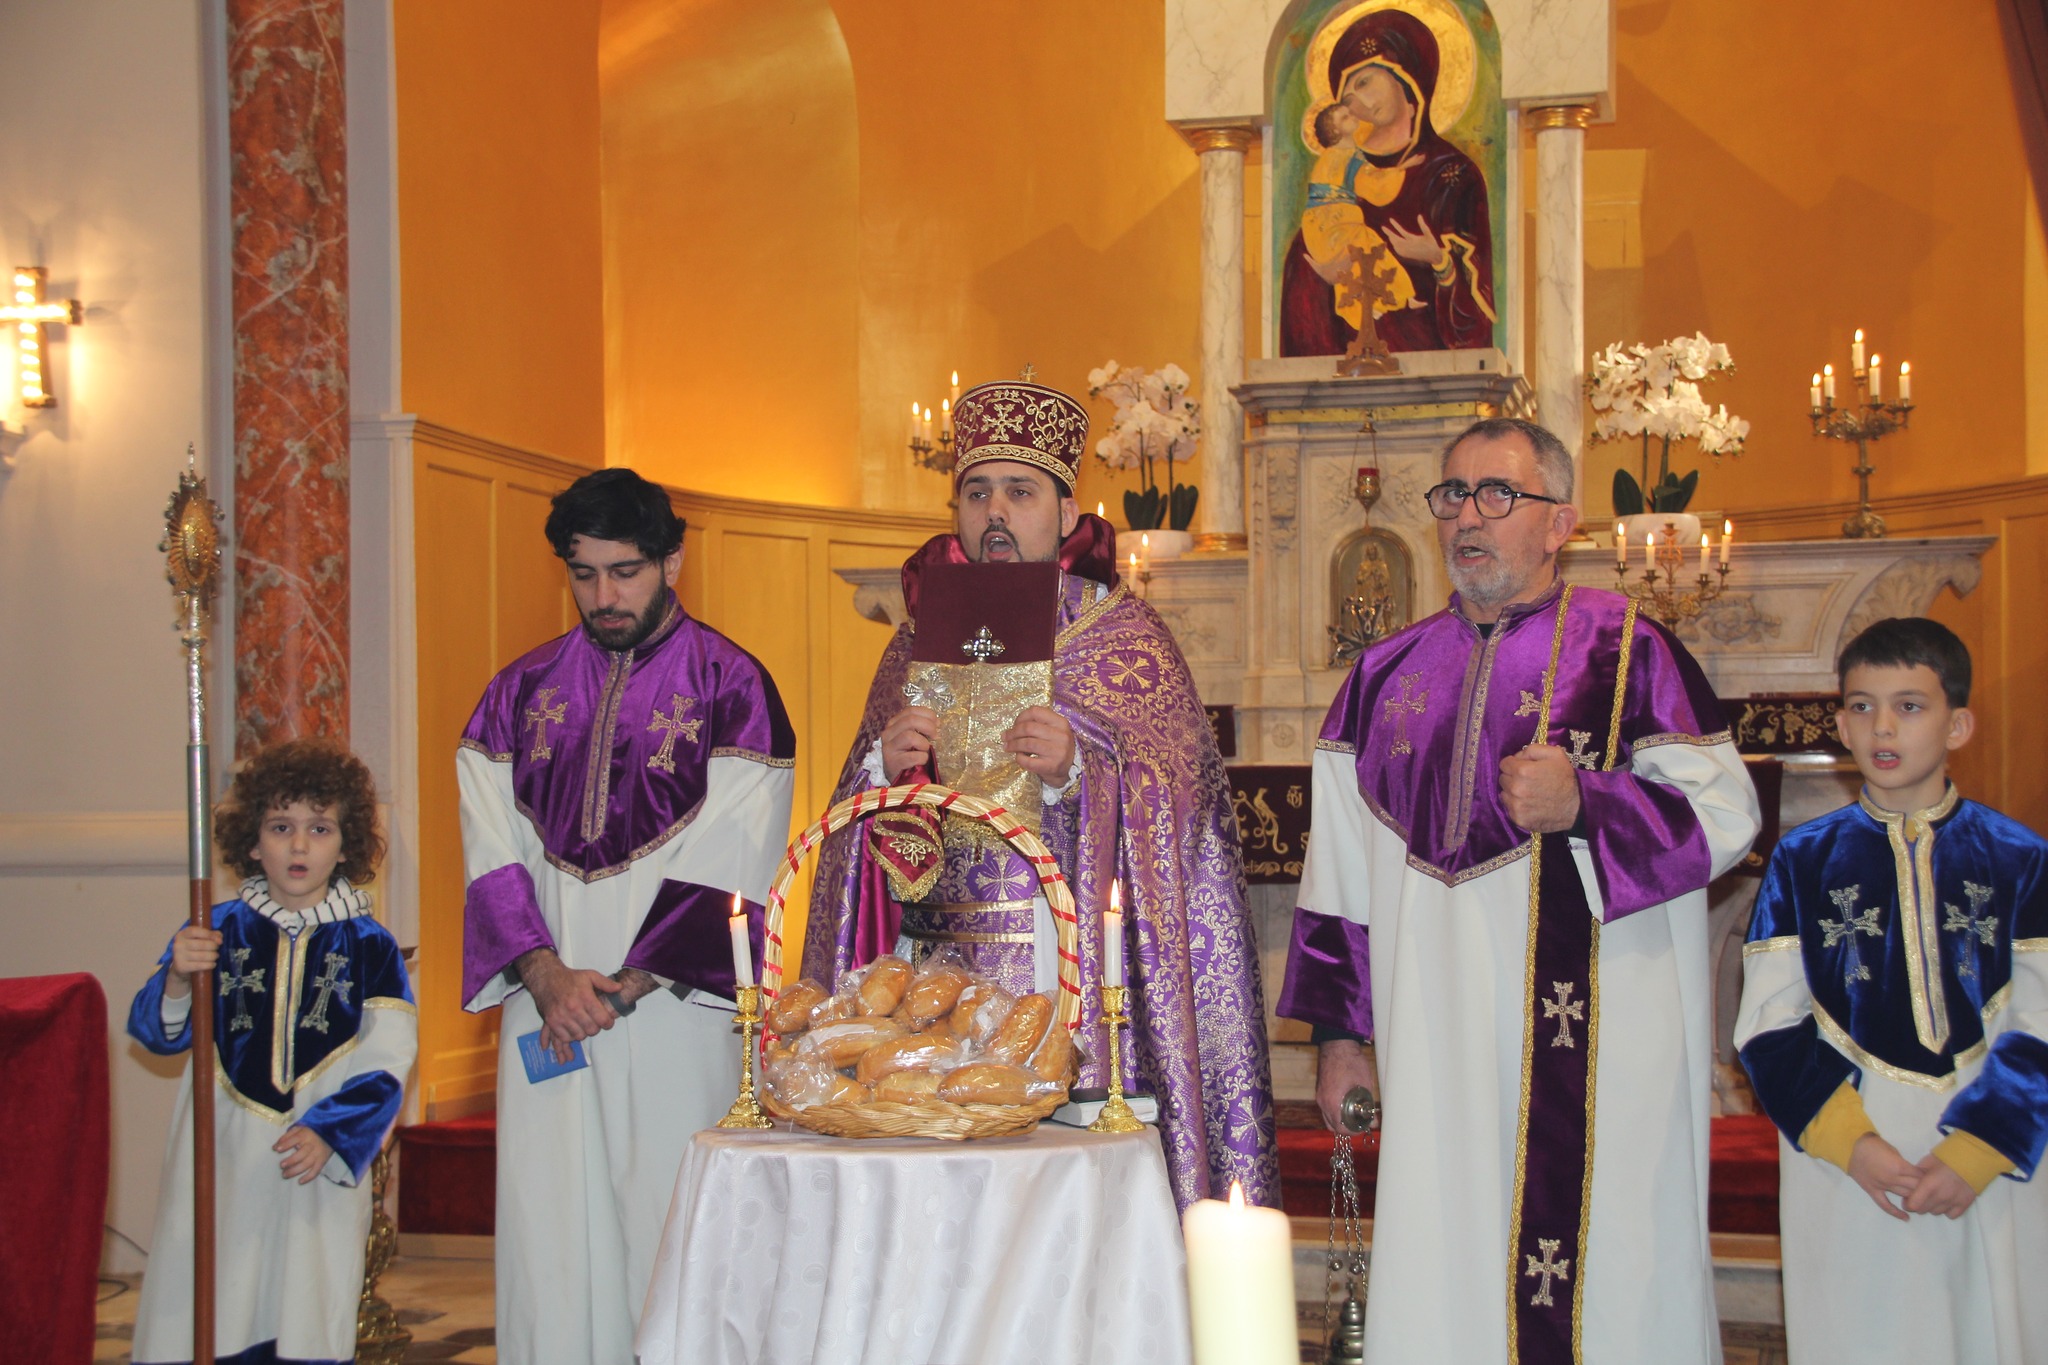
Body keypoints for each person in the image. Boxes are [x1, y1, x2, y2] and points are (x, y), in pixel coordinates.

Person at [1277, 416, 1759, 1362]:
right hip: (1433, 1043)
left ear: (1560, 522)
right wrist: (1341, 1040)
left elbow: (1728, 816)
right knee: (1444, 1249)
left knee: (1611, 1266)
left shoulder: (1629, 653)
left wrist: (1590, 802)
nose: (1467, 515)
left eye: (1496, 493)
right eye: (1451, 494)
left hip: (1601, 1043)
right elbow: (1335, 876)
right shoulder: (1380, 678)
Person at [803, 375, 1277, 1209]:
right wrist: (885, 765)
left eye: (1020, 492)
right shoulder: (916, 635)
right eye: (976, 491)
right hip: (926, 976)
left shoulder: (1120, 633)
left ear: (1065, 514)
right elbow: (858, 818)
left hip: (1064, 971)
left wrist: (1084, 764)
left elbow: (1188, 804)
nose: (995, 512)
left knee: (1050, 1203)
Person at [458, 467, 795, 1365]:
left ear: (673, 561)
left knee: (671, 1225)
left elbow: (734, 857)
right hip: (549, 1005)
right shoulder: (514, 696)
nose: (604, 597)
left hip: (670, 1015)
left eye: (627, 572)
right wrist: (547, 976)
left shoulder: (736, 688)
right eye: (584, 574)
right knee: (549, 1234)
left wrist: (619, 987)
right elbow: (491, 852)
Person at [1735, 618, 2048, 1365]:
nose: (1883, 726)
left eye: (1910, 705)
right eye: (1863, 705)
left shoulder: (2021, 858)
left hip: (1989, 1161)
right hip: (1852, 1160)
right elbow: (1768, 1024)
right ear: (1840, 721)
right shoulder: (1801, 862)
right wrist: (1856, 1143)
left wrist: (1979, 1147)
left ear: (1959, 723)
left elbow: (2042, 1015)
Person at [129, 739, 417, 1365]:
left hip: (308, 1156)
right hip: (224, 1151)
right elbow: (157, 1032)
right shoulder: (216, 930)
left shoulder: (370, 946)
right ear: (253, 841)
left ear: (347, 845)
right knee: (213, 1297)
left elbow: (389, 1061)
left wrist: (334, 1134)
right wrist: (178, 977)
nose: (298, 846)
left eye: (319, 828)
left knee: (302, 1299)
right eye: (281, 827)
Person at [1279, 7, 1495, 356]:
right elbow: (1305, 267)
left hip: (1432, 377)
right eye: (1345, 96)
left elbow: (1476, 321)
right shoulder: (1339, 170)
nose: (1354, 99)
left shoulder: (1450, 175)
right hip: (1341, 378)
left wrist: (1439, 260)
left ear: (1407, 81)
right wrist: (1323, 274)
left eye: (1363, 82)